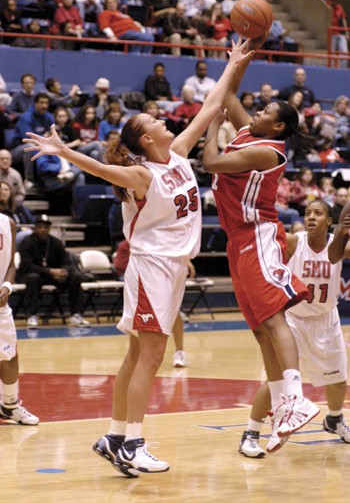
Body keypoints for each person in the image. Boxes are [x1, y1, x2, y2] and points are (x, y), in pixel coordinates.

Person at [23, 39, 254, 476]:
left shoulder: (179, 154)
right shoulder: (141, 174)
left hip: (168, 267)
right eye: (154, 120)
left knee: (136, 355)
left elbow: (211, 104)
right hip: (150, 269)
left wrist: (233, 66)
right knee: (150, 356)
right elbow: (98, 169)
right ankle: (133, 442)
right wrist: (64, 151)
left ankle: (114, 435)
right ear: (147, 139)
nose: (164, 118)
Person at [202, 37, 320, 448]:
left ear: (279, 126)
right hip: (238, 241)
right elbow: (229, 94)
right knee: (260, 333)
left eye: (265, 111)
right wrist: (240, 60)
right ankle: (284, 410)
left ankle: (296, 399)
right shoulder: (253, 131)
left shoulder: (267, 150)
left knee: (274, 320)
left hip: (260, 235)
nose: (255, 112)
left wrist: (213, 126)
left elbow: (211, 162)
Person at [238, 199, 350, 457]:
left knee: (338, 379)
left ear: (329, 221)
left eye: (318, 213)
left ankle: (334, 419)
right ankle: (251, 432)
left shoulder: (339, 245)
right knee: (276, 380)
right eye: (308, 213)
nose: (311, 217)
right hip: (294, 320)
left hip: (326, 318)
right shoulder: (293, 242)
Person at [112, 238, 193, 367]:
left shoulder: (164, 239)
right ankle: (143, 357)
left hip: (166, 269)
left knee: (175, 312)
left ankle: (179, 351)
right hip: (142, 276)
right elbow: (120, 266)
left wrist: (184, 259)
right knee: (138, 348)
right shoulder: (129, 243)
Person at [17, 215, 91, 328]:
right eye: (40, 227)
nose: (43, 229)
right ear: (35, 228)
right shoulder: (27, 242)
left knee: (75, 277)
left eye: (45, 227)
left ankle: (75, 315)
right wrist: (50, 271)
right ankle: (32, 316)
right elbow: (27, 266)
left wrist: (64, 271)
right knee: (33, 278)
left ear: (49, 228)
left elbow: (66, 261)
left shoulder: (55, 242)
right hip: (30, 274)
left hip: (53, 275)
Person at [0, 212, 39, 425]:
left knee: (9, 356)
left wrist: (6, 287)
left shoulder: (8, 223)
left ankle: (9, 406)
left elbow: (11, 266)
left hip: (0, 304)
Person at [9, 93, 55, 189]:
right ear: (35, 104)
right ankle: (28, 179)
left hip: (39, 145)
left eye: (46, 103)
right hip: (17, 150)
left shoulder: (49, 117)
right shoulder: (26, 117)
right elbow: (28, 139)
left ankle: (49, 178)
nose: (44, 106)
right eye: (41, 102)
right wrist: (44, 137)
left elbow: (53, 136)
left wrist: (46, 138)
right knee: (30, 146)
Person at [0, 181, 34, 248]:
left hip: (21, 235)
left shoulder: (18, 206)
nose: (3, 192)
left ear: (11, 192)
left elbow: (31, 220)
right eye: (1, 190)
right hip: (5, 238)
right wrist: (21, 229)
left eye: (6, 189)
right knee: (29, 234)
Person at [326, 0, 349, 69]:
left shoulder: (339, 7)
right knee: (331, 53)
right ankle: (331, 70)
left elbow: (343, 19)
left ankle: (343, 69)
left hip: (340, 33)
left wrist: (346, 32)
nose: (333, 1)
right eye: (331, 0)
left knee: (344, 52)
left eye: (334, 0)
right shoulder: (326, 8)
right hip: (331, 34)